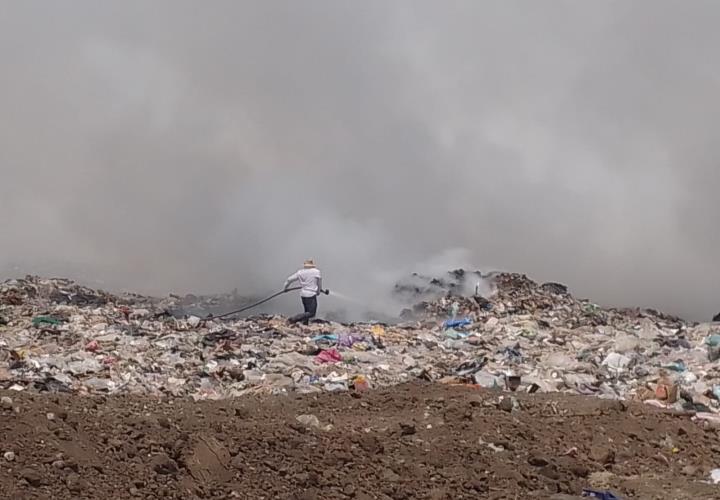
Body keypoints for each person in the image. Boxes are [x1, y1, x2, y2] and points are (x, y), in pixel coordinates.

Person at [284, 259, 323, 325]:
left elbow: (289, 280)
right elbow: (319, 283)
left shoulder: (300, 272)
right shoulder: (316, 272)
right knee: (311, 313)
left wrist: (285, 288)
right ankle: (293, 319)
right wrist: (318, 291)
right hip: (311, 294)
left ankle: (305, 323)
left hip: (303, 294)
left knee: (307, 311)